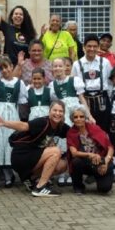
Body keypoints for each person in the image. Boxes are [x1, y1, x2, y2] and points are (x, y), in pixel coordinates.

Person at [0, 100, 70, 197]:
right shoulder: (43, 122)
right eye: (55, 110)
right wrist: (5, 123)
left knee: (62, 165)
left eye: (60, 111)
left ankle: (32, 179)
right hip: (21, 156)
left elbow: (73, 133)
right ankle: (40, 187)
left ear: (63, 113)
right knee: (55, 151)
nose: (57, 113)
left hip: (34, 157)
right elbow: (24, 125)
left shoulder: (60, 126)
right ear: (49, 111)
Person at [49, 57, 89, 186]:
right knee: (62, 144)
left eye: (60, 66)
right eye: (55, 66)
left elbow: (82, 99)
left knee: (75, 144)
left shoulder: (74, 80)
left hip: (74, 116)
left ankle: (73, 173)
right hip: (61, 116)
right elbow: (54, 104)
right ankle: (62, 173)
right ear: (52, 69)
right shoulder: (52, 85)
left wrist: (89, 115)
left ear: (65, 67)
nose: (58, 69)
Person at [0, 56, 25, 188]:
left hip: (12, 114)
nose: (4, 70)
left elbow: (23, 100)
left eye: (6, 67)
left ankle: (11, 172)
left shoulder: (19, 83)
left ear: (11, 66)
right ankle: (5, 173)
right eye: (1, 68)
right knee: (0, 142)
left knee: (11, 142)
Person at [66, 107, 114, 194]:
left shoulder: (94, 128)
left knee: (105, 189)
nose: (79, 119)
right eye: (75, 117)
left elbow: (110, 147)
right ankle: (78, 187)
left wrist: (105, 162)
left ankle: (97, 176)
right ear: (72, 119)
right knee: (76, 162)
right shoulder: (70, 133)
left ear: (85, 118)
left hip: (100, 161)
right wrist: (90, 155)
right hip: (85, 162)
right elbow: (74, 153)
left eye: (81, 116)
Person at [72, 34, 112, 126]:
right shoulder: (77, 64)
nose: (92, 49)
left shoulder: (105, 62)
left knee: (104, 130)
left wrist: (109, 99)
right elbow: (74, 85)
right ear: (84, 47)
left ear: (98, 47)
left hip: (103, 100)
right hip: (85, 101)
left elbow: (110, 83)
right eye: (89, 46)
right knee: (87, 131)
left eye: (95, 46)